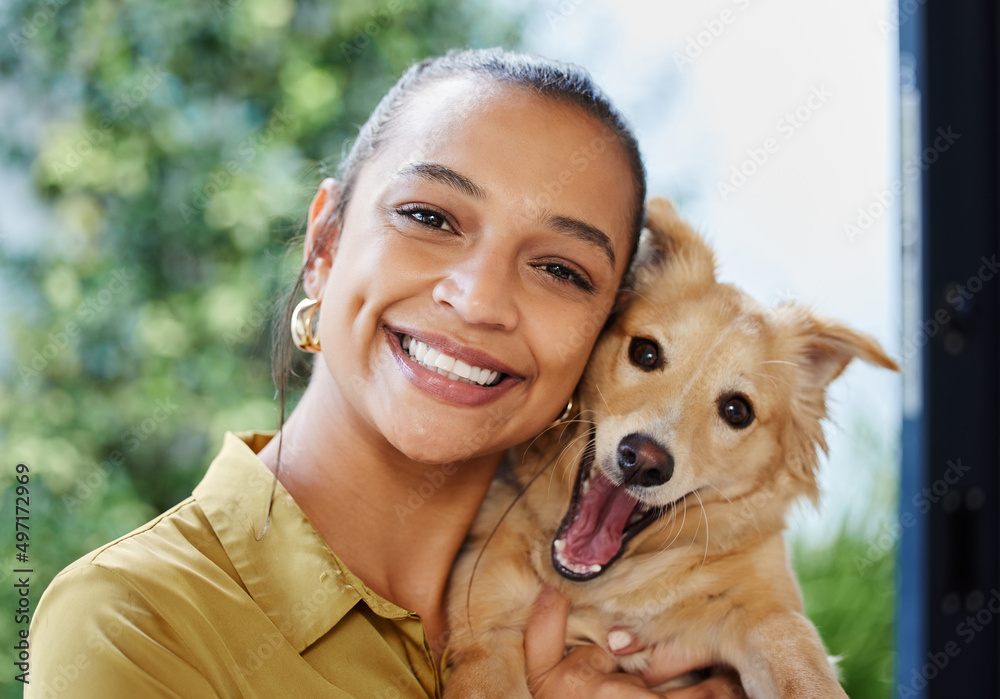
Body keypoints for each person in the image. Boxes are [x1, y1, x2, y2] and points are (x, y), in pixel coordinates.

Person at [29, 48, 740, 698]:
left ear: (600, 341)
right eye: (429, 216)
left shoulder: (644, 637)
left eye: (560, 269)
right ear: (326, 244)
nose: (480, 299)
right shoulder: (131, 621)